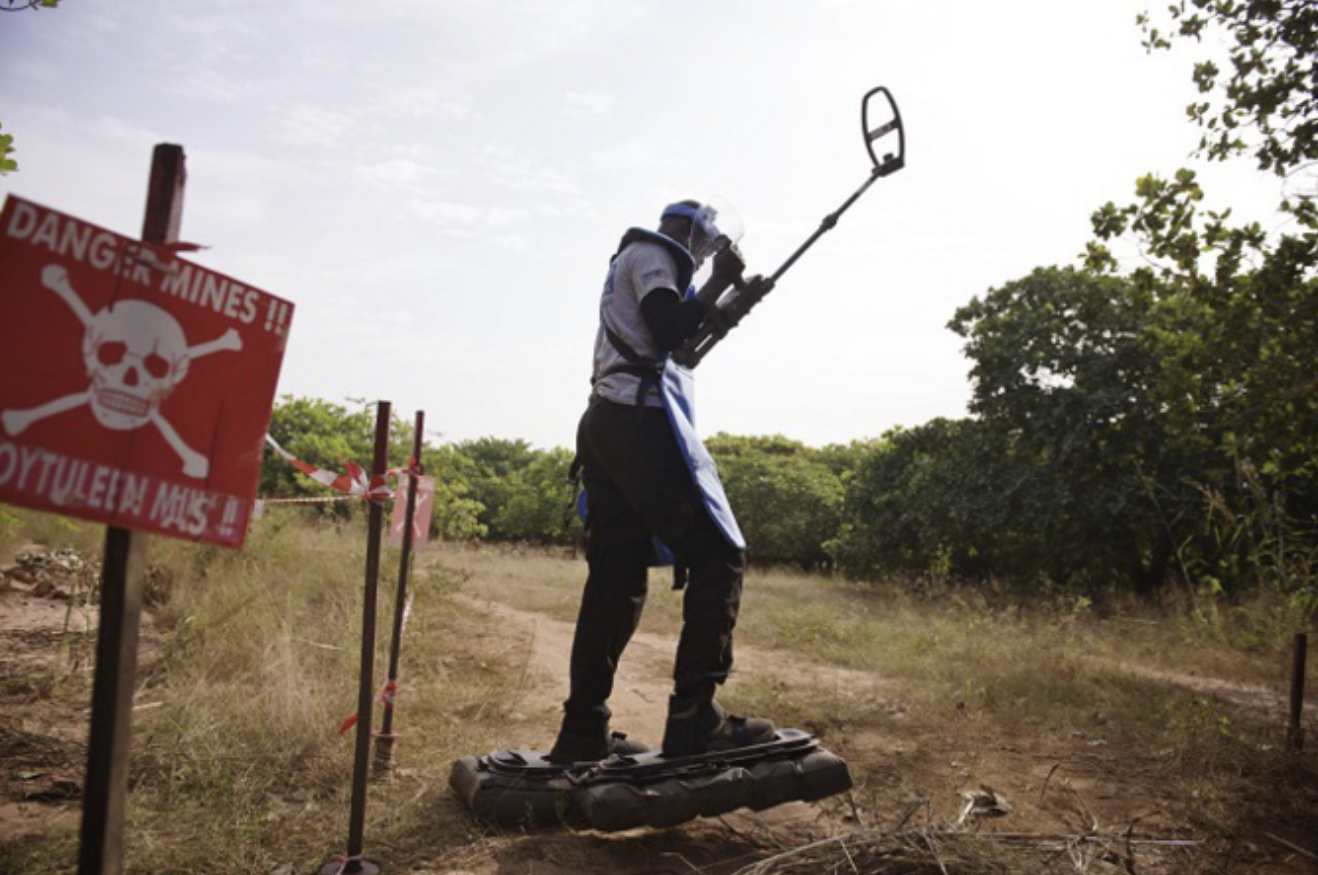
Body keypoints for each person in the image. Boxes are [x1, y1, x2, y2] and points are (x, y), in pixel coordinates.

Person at [547, 199, 776, 763]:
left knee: (616, 580)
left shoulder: (635, 261)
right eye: (706, 243)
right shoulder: (654, 253)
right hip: (637, 423)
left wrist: (729, 301)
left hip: (606, 423)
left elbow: (676, 348)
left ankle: (582, 730)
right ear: (688, 231)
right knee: (719, 553)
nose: (705, 254)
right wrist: (720, 280)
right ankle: (695, 717)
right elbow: (671, 325)